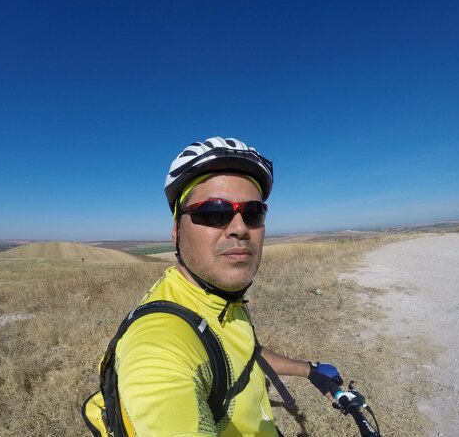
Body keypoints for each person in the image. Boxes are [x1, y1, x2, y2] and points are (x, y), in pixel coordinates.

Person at [85, 136, 345, 436]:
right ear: (177, 231)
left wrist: (309, 370)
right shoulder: (158, 346)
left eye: (253, 213)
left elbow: (245, 352)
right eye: (213, 212)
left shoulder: (218, 297)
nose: (239, 228)